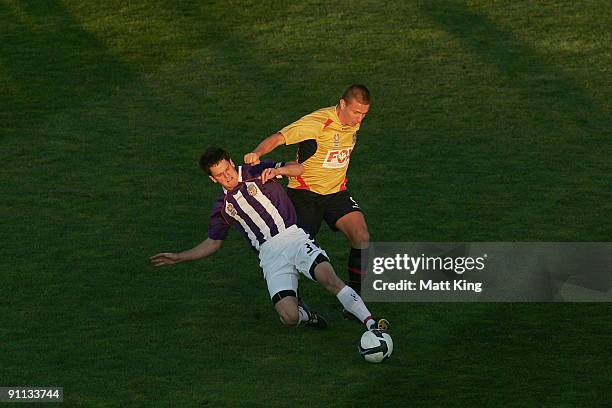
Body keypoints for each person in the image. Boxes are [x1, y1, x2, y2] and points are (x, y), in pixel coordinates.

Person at [150, 147, 388, 331]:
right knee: (289, 317)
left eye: (228, 170)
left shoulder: (255, 170)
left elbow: (300, 169)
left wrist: (278, 171)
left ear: (232, 162)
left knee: (329, 278)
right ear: (213, 179)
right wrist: (180, 257)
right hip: (270, 257)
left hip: (293, 238)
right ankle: (307, 316)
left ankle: (371, 324)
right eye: (220, 176)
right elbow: (213, 242)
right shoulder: (222, 207)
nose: (227, 177)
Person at [244, 85, 372, 305]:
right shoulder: (317, 123)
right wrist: (258, 152)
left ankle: (355, 298)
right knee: (297, 251)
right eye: (356, 112)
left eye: (364, 114)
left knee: (361, 236)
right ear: (342, 104)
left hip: (335, 192)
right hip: (304, 194)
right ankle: (296, 302)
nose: (359, 119)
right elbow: (279, 137)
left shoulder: (352, 124)